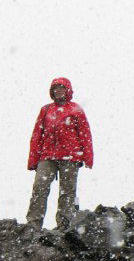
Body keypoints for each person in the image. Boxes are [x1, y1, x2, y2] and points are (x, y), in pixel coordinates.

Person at [26, 77, 93, 230]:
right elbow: (37, 135)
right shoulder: (46, 110)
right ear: (52, 91)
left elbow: (85, 134)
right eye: (55, 88)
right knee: (39, 188)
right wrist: (33, 160)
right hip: (47, 156)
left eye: (62, 88)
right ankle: (33, 224)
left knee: (67, 191)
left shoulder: (76, 109)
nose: (58, 91)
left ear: (68, 90)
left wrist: (88, 157)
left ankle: (64, 224)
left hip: (70, 156)